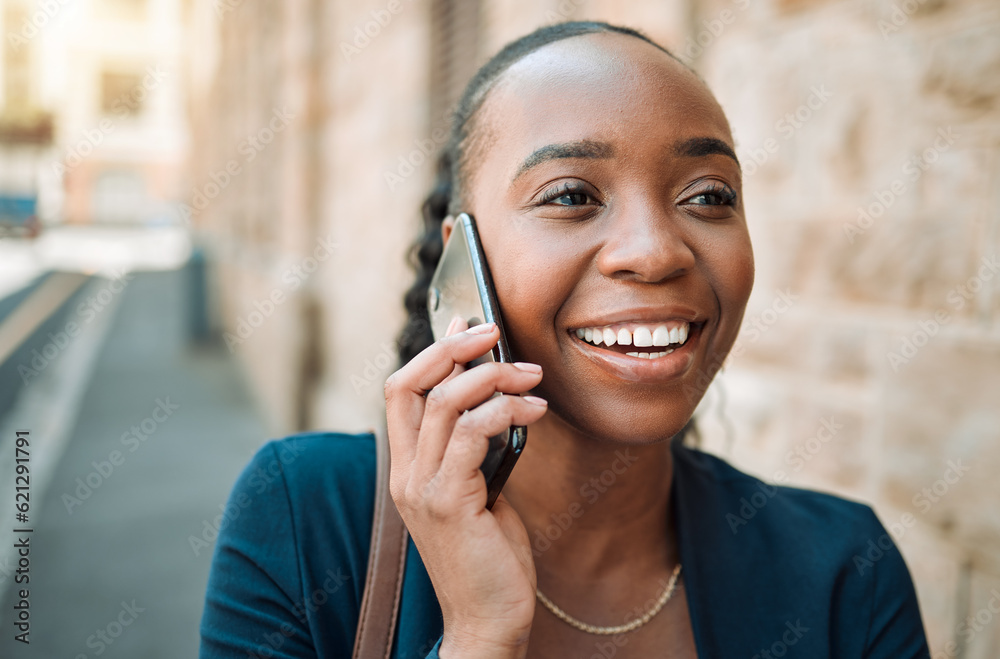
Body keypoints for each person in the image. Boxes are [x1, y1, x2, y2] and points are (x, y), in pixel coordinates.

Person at [199, 21, 931, 659]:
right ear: (463, 262)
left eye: (707, 194)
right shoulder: (307, 518)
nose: (655, 251)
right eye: (572, 196)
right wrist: (480, 638)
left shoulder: (843, 570)